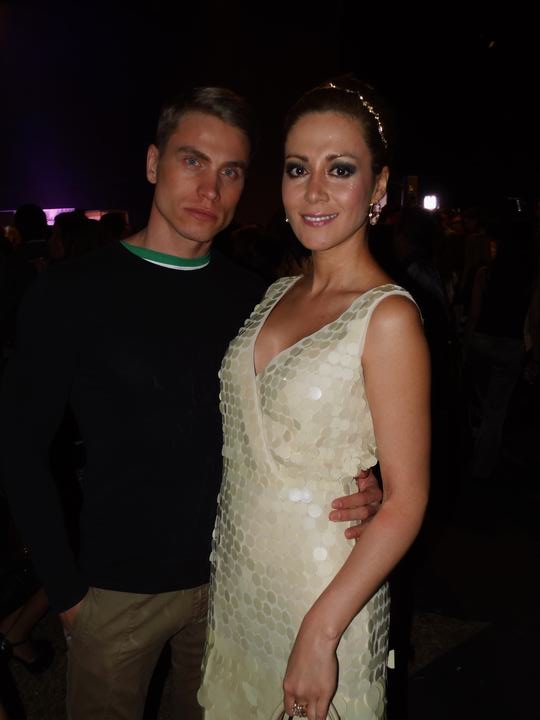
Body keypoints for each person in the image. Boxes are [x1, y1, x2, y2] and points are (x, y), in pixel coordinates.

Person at [0, 87, 382, 720]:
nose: (211, 188)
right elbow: (20, 449)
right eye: (193, 161)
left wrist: (361, 483)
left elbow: (301, 418)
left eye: (231, 171)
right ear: (154, 163)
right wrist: (65, 590)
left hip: (236, 579)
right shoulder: (71, 293)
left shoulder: (258, 300)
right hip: (116, 587)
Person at [198, 78, 430, 720]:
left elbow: (407, 500)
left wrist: (321, 633)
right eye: (299, 168)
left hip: (325, 596)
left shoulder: (387, 317)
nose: (314, 191)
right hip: (242, 583)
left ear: (378, 187)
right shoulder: (277, 293)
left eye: (341, 169)